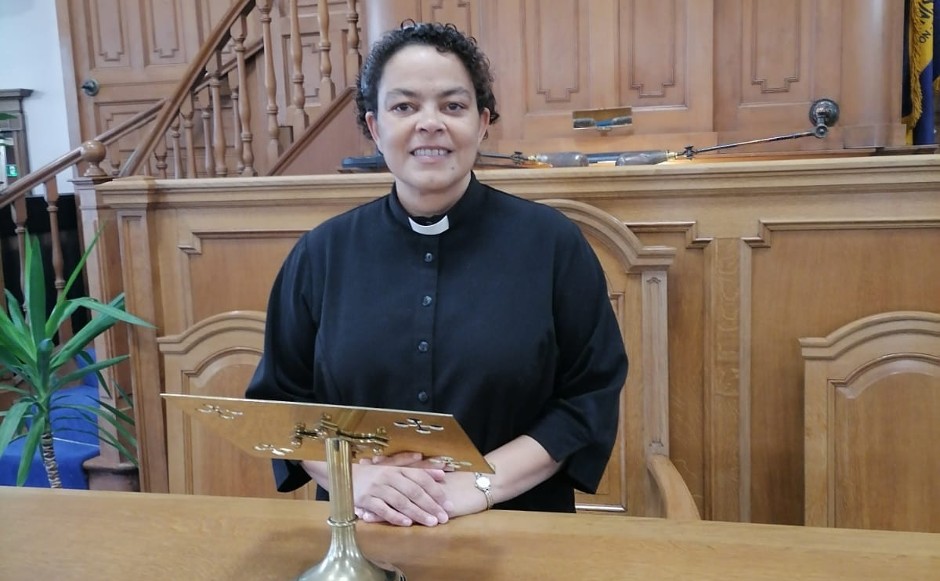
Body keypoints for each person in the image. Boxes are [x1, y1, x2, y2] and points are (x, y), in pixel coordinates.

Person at [246, 21, 627, 528]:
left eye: (453, 105)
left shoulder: (552, 244)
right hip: (364, 528)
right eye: (404, 107)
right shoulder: (321, 253)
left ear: (483, 121)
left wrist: (478, 483)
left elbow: (587, 398)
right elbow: (280, 405)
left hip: (517, 526)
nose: (430, 123)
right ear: (376, 127)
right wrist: (356, 477)